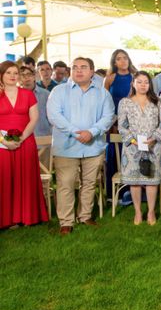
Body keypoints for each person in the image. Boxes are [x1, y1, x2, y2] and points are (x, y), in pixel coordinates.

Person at [47, 57, 115, 235]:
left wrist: (91, 132)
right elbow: (54, 115)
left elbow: (108, 116)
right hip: (66, 147)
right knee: (65, 184)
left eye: (83, 67)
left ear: (92, 71)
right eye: (75, 67)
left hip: (93, 146)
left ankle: (85, 216)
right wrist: (76, 132)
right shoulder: (59, 91)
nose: (79, 70)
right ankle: (66, 221)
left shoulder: (102, 93)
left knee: (89, 183)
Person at [0, 61, 49, 229]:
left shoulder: (28, 94)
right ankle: (6, 219)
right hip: (2, 144)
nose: (13, 76)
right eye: (9, 73)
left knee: (26, 177)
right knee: (5, 179)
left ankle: (27, 216)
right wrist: (4, 141)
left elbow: (34, 118)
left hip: (26, 141)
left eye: (15, 73)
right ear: (1, 75)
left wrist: (21, 138)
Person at [118, 71, 161, 225]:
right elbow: (121, 125)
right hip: (132, 148)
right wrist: (133, 141)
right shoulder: (125, 102)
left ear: (150, 84)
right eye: (139, 82)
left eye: (146, 82)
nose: (142, 85)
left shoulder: (157, 102)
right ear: (133, 83)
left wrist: (154, 138)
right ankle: (138, 212)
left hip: (153, 146)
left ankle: (151, 212)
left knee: (151, 181)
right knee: (135, 181)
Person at [104, 49, 136, 198]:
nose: (123, 61)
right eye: (119, 59)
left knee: (132, 153)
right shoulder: (110, 78)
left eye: (125, 58)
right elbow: (104, 102)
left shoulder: (136, 77)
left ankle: (132, 190)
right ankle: (113, 192)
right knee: (114, 154)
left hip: (133, 121)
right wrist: (112, 121)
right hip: (114, 122)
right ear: (114, 62)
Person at [19, 66, 51, 137]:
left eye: (29, 74)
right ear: (19, 79)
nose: (26, 77)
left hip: (44, 136)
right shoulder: (16, 95)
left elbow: (52, 117)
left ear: (34, 76)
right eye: (23, 75)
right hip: (24, 137)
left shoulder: (46, 94)